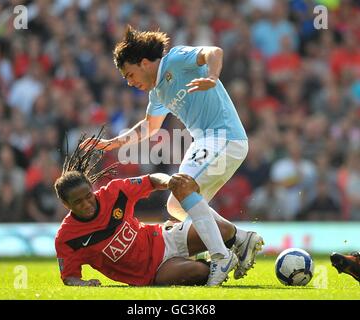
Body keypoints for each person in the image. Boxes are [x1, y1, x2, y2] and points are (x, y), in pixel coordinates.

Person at [81, 25, 264, 285]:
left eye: (130, 74)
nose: (130, 82)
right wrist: (112, 144)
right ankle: (239, 238)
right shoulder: (157, 92)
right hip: (207, 141)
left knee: (180, 186)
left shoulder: (175, 59)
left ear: (144, 63)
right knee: (176, 205)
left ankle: (221, 257)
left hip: (224, 137)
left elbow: (214, 51)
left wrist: (212, 77)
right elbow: (150, 126)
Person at [55, 132, 238, 287]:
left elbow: (151, 179)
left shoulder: (114, 192)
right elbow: (69, 277)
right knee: (199, 272)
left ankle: (217, 253)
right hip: (152, 272)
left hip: (162, 238)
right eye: (78, 202)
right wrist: (84, 284)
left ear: (92, 188)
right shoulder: (67, 238)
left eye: (88, 196)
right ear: (66, 204)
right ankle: (206, 259)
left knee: (225, 230)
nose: (87, 204)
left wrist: (169, 181)